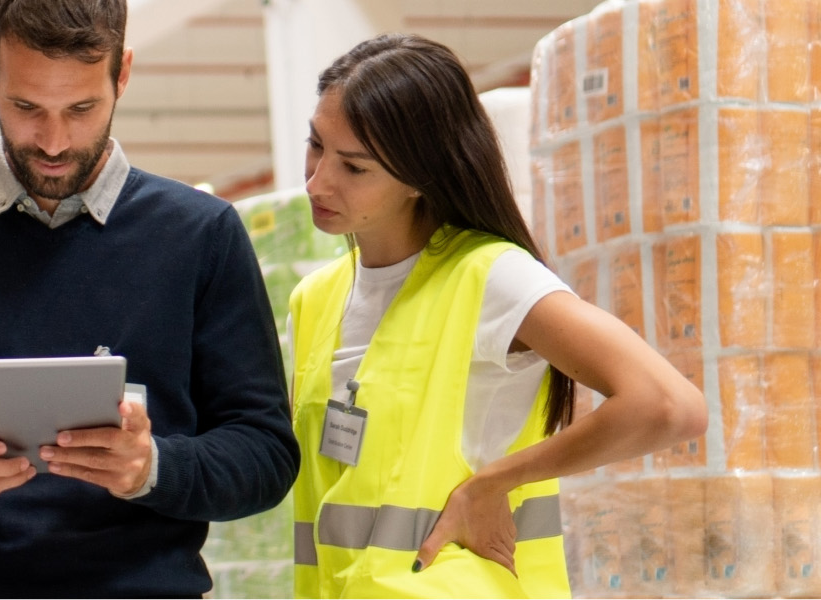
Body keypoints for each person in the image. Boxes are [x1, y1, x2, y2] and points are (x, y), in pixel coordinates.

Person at [0, 0, 299, 596]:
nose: (53, 140)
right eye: (25, 108)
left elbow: (265, 455)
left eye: (81, 108)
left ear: (122, 74)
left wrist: (152, 468)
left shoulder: (203, 236)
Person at [289, 33, 707, 598]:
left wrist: (493, 484)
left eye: (354, 167)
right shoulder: (315, 299)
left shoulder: (489, 277)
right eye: (316, 145)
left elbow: (668, 406)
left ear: (419, 177)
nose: (317, 181)